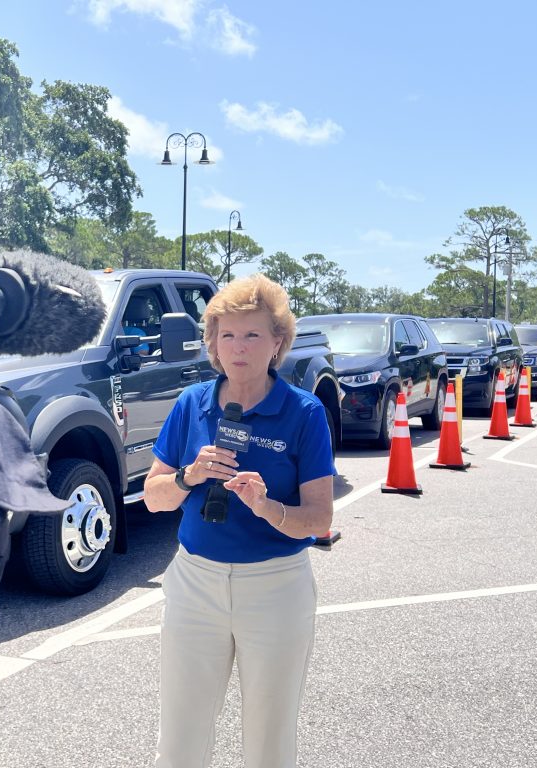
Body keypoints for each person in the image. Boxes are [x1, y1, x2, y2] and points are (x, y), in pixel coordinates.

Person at [144, 274, 334, 768]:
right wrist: (189, 476)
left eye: (252, 335)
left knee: (269, 742)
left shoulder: (304, 413)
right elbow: (153, 498)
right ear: (212, 343)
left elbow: (318, 519)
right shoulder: (192, 404)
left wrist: (268, 507)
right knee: (180, 740)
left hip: (275, 587)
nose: (238, 347)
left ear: (277, 342)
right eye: (226, 334)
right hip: (195, 584)